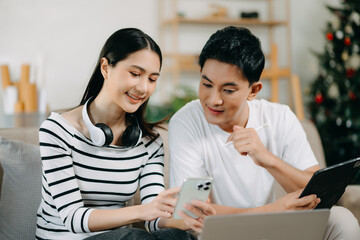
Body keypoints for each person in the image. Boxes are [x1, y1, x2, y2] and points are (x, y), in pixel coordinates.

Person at [169, 26, 360, 239]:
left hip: (272, 230)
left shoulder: (279, 117)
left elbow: (318, 194)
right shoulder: (186, 122)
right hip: (220, 234)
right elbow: (192, 213)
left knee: (341, 219)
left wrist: (267, 159)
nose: (213, 100)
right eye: (206, 84)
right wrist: (273, 211)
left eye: (228, 90)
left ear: (253, 91)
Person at [35, 28, 195, 240]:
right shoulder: (57, 131)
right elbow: (72, 218)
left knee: (176, 236)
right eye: (135, 74)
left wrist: (189, 220)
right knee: (133, 237)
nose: (143, 88)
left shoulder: (149, 143)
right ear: (105, 68)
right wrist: (141, 211)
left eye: (152, 79)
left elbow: (155, 220)